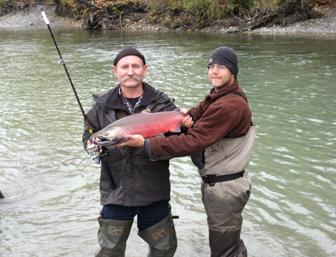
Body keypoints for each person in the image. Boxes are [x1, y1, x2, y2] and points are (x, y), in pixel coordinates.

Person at [120, 46, 256, 257]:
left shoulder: (230, 105)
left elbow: (194, 141)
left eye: (221, 67)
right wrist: (187, 114)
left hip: (225, 187)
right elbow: (200, 110)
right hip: (221, 183)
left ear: (233, 71)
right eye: (211, 66)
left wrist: (147, 144)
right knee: (229, 243)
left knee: (225, 249)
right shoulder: (220, 95)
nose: (214, 71)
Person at [82, 47, 179, 257]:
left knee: (164, 248)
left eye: (135, 66)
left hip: (154, 191)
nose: (130, 71)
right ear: (115, 71)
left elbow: (177, 143)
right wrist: (94, 147)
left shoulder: (163, 104)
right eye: (124, 67)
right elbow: (87, 140)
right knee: (110, 250)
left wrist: (145, 143)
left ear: (145, 70)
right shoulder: (100, 108)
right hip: (115, 192)